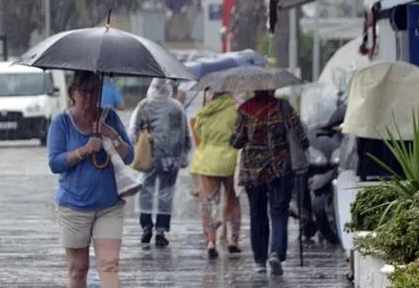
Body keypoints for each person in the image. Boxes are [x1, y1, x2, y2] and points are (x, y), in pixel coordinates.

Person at [47, 70, 135, 288]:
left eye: (95, 92)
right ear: (72, 92)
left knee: (109, 265)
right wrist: (85, 149)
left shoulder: (109, 117)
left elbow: (129, 155)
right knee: (77, 270)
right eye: (84, 92)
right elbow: (55, 162)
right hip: (73, 205)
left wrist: (111, 136)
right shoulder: (61, 122)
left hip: (109, 204)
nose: (89, 98)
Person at [231, 90, 309, 275]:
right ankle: (276, 253)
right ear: (273, 89)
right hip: (280, 167)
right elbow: (301, 136)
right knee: (279, 211)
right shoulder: (283, 107)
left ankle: (259, 260)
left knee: (257, 213)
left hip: (253, 169)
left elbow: (235, 142)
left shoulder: (245, 109)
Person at [129, 78, 191, 246]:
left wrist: (133, 149)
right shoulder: (177, 107)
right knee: (167, 193)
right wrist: (185, 154)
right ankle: (161, 230)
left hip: (149, 156)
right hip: (171, 159)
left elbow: (133, 131)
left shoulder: (143, 105)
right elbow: (186, 134)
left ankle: (146, 227)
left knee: (145, 191)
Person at [191, 88, 241, 259]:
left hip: (208, 160)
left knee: (209, 203)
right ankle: (233, 240)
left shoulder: (204, 111)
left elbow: (198, 133)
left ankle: (211, 241)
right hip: (230, 159)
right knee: (232, 200)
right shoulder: (235, 110)